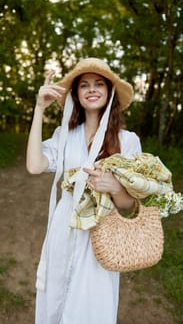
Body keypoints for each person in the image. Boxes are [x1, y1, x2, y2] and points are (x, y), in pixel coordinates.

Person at [26, 57, 142, 324]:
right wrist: (39, 110)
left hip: (101, 234)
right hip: (63, 228)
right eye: (84, 85)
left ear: (110, 91)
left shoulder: (128, 141)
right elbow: (34, 166)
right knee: (56, 298)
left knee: (92, 308)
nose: (91, 89)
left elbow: (128, 205)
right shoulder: (65, 136)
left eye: (99, 84)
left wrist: (113, 187)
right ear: (76, 95)